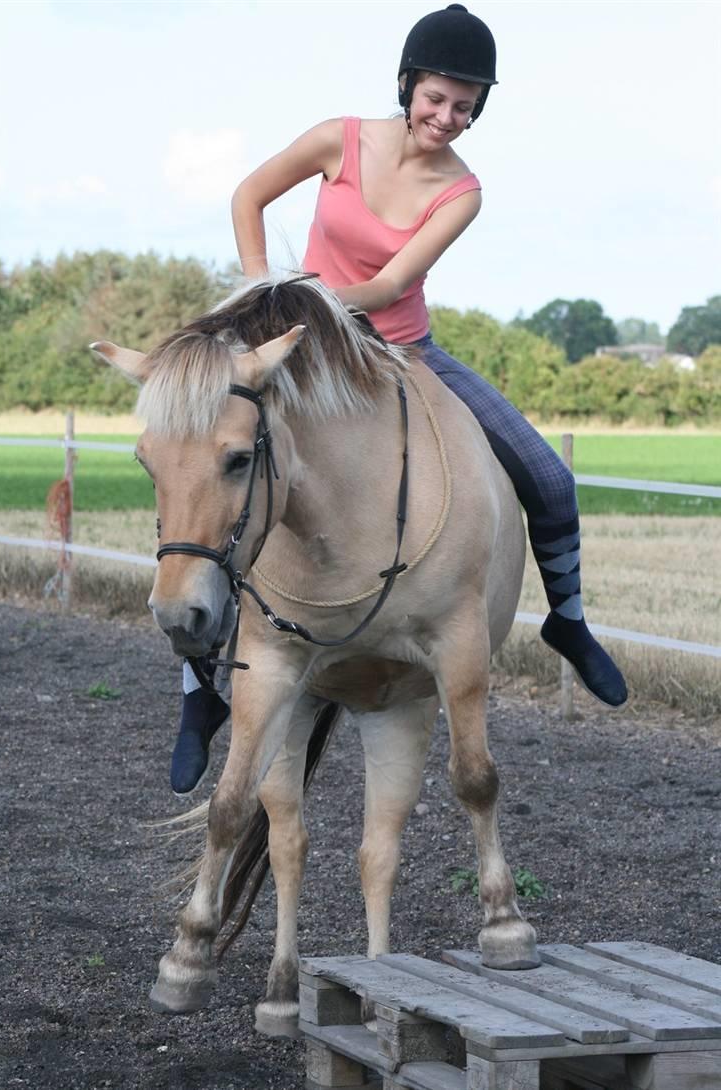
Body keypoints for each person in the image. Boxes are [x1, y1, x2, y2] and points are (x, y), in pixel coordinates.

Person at [169, 3, 627, 796]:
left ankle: (570, 620)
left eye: (466, 105)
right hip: (301, 347)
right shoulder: (337, 139)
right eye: (437, 97)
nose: (448, 117)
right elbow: (249, 197)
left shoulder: (463, 191)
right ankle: (197, 692)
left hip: (400, 346)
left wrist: (306, 306)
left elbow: (387, 285)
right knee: (210, 473)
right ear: (408, 84)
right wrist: (261, 291)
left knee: (549, 479)